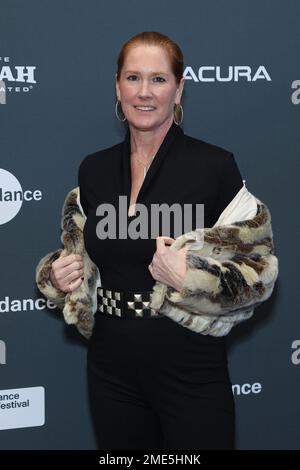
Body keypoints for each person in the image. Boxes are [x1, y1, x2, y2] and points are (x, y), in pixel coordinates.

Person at [36, 32, 278, 450]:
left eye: (158, 80)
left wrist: (190, 277)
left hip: (190, 368)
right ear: (117, 86)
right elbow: (84, 256)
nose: (144, 92)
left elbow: (259, 272)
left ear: (179, 88)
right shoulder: (93, 170)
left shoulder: (213, 166)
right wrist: (58, 276)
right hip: (110, 369)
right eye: (133, 78)